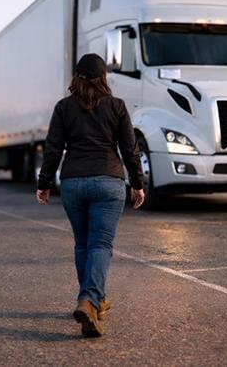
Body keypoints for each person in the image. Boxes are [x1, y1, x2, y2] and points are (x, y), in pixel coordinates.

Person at [35, 53, 145, 338]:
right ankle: (89, 300)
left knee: (83, 245)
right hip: (108, 181)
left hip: (73, 182)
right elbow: (130, 149)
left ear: (76, 77)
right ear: (103, 78)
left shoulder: (63, 107)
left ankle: (95, 302)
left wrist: (44, 182)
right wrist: (138, 183)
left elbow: (53, 148)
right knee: (101, 245)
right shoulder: (117, 106)